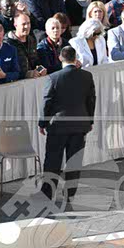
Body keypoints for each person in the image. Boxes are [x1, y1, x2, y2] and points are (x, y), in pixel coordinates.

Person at [38, 45, 96, 204]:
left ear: (60, 58)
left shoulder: (53, 78)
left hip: (58, 126)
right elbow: (91, 100)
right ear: (75, 58)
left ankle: (47, 194)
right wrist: (90, 120)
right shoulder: (87, 76)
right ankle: (70, 194)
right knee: (74, 161)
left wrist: (42, 122)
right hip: (80, 125)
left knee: (52, 161)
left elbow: (47, 102)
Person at [6, 11, 44, 79]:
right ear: (15, 25)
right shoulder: (8, 44)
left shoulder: (31, 40)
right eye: (23, 24)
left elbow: (35, 61)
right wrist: (25, 74)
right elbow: (8, 68)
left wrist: (41, 69)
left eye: (28, 23)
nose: (27, 26)